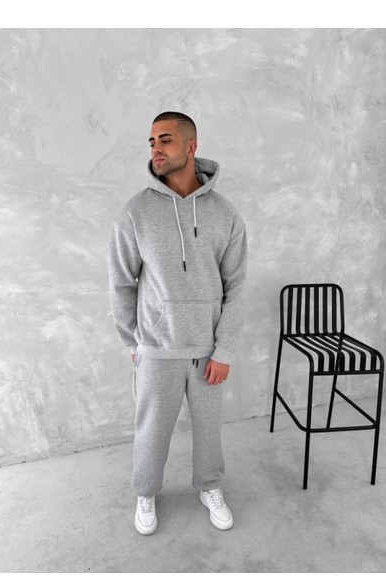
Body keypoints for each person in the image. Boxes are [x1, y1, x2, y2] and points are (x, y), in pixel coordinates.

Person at [108, 111, 248, 535]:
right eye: (151, 141)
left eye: (165, 140)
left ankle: (210, 487)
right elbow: (121, 283)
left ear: (191, 146)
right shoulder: (135, 214)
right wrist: (132, 342)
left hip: (207, 350)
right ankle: (146, 493)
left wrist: (224, 350)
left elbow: (237, 286)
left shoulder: (225, 214)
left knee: (209, 431)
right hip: (157, 347)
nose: (155, 148)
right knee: (151, 431)